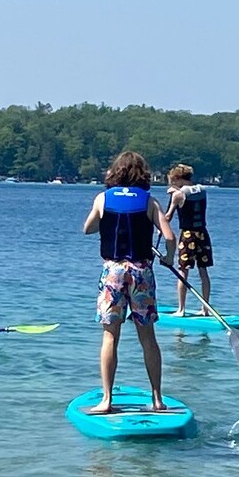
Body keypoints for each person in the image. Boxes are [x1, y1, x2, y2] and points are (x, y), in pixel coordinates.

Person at [82, 151, 176, 413]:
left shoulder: (103, 198)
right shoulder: (150, 201)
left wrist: (106, 220)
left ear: (115, 172)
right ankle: (157, 399)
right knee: (148, 337)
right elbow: (169, 237)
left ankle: (107, 400)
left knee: (110, 337)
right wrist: (168, 259)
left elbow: (87, 228)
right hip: (141, 272)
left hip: (113, 271)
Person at [163, 163, 214, 317]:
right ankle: (205, 309)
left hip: (188, 235)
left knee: (183, 271)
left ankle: (181, 309)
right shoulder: (202, 190)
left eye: (173, 181)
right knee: (203, 271)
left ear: (178, 179)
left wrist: (173, 196)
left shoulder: (178, 195)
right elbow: (191, 191)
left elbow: (168, 216)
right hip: (203, 234)